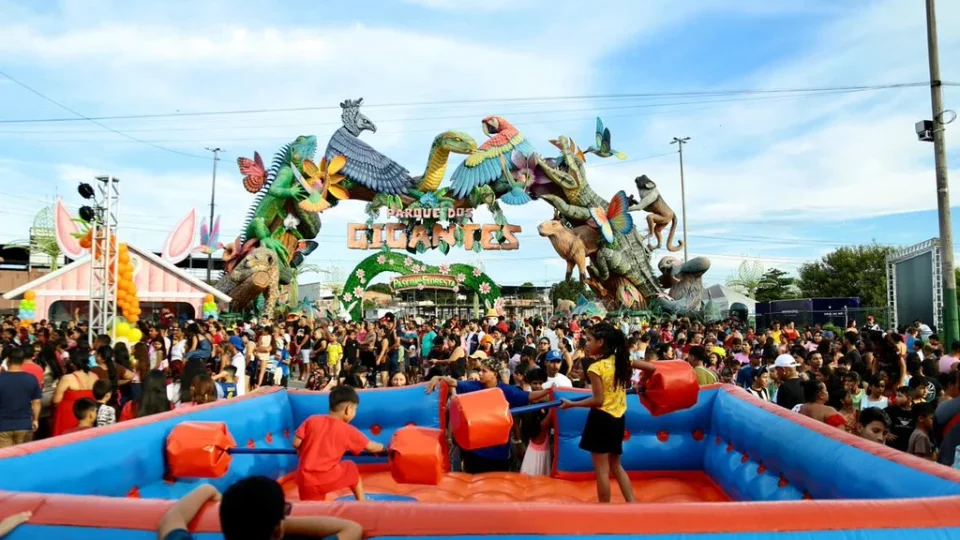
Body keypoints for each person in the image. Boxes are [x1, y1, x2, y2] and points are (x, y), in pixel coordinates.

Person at [559, 322, 657, 503]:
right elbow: (652, 369)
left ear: (601, 342)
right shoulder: (622, 360)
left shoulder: (596, 368)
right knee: (616, 466)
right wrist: (641, 384)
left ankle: (604, 510)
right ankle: (632, 503)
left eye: (589, 340)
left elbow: (598, 400)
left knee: (602, 471)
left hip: (601, 419)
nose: (586, 344)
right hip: (618, 419)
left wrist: (571, 405)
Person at [425, 355, 550, 473]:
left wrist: (549, 391)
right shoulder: (474, 386)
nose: (480, 373)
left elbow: (529, 396)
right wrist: (438, 378)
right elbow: (453, 382)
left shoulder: (506, 390)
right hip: (475, 453)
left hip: (498, 453)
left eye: (484, 371)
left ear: (494, 374)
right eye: (480, 370)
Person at [157, 477, 363, 540]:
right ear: (276, 530)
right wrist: (280, 524)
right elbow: (351, 528)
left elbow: (172, 518)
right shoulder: (277, 529)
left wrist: (208, 489)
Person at [293, 386, 385, 501]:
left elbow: (296, 443)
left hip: (305, 480)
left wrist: (304, 450)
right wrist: (383, 449)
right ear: (348, 410)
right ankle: (362, 501)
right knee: (350, 468)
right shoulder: (347, 430)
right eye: (355, 410)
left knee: (313, 511)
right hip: (325, 478)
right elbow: (371, 447)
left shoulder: (312, 420)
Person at [0, 348, 41, 448]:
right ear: (22, 361)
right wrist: (35, 420)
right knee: (23, 457)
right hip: (24, 424)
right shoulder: (31, 379)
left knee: (5, 458)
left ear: (8, 360)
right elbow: (36, 402)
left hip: (2, 425)